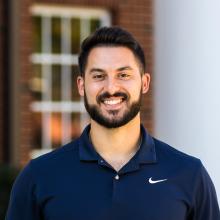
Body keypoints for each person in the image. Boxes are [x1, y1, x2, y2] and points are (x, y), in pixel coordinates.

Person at [6, 26, 220, 220]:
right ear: (81, 86)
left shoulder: (189, 175)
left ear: (144, 83)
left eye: (123, 75)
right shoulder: (40, 176)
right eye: (99, 76)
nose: (111, 87)